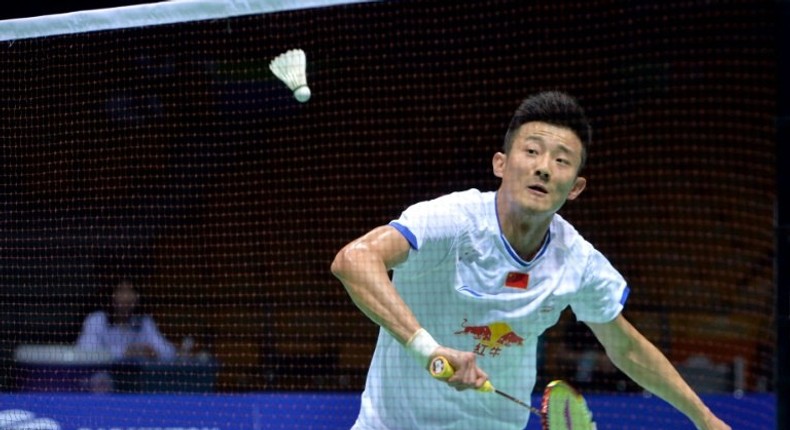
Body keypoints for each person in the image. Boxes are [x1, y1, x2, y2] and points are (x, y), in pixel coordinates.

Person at [331, 91, 730, 430]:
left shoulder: (576, 260)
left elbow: (626, 347)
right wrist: (429, 349)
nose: (543, 166)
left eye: (561, 160)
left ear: (575, 187)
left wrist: (707, 421)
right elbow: (354, 260)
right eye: (532, 151)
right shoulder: (452, 222)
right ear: (500, 164)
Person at [76, 279, 176, 362]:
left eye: (131, 291)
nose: (126, 297)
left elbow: (169, 351)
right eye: (122, 291)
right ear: (112, 295)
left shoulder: (145, 322)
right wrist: (125, 352)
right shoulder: (96, 320)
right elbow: (85, 351)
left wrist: (153, 351)